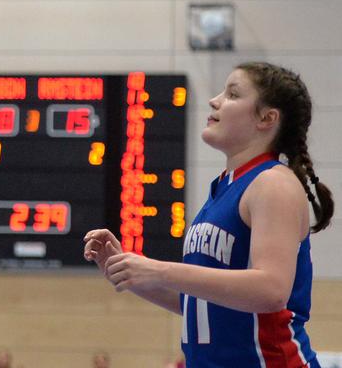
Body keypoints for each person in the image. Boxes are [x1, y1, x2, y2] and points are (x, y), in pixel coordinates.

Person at [85, 62, 334, 366]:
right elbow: (201, 304)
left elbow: (271, 290)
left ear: (267, 118)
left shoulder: (273, 183)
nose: (214, 100)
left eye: (232, 94)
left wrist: (158, 270)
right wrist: (129, 274)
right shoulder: (223, 188)